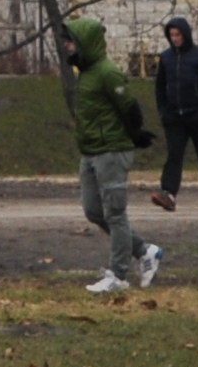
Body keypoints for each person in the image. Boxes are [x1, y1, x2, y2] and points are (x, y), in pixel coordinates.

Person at [67, 17, 162, 293]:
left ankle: (118, 276)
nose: (67, 47)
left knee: (115, 213)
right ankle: (145, 251)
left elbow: (129, 107)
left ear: (85, 44)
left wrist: (136, 135)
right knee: (94, 211)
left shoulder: (108, 72)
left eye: (71, 41)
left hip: (111, 151)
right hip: (90, 152)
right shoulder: (85, 73)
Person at [150, 17, 198, 213]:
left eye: (178, 35)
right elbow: (159, 87)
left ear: (185, 34)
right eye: (171, 35)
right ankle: (168, 193)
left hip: (197, 115)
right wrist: (163, 111)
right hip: (175, 116)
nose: (174, 39)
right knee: (174, 154)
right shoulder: (165, 58)